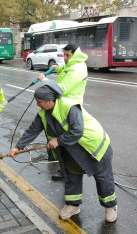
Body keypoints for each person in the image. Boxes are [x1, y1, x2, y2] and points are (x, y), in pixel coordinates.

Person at [6, 80, 117, 222]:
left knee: (102, 178)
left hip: (93, 147)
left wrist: (58, 141)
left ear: (49, 100)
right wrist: (17, 147)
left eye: (39, 101)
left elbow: (77, 130)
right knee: (71, 175)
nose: (37, 104)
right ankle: (73, 206)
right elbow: (32, 130)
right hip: (71, 149)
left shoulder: (69, 107)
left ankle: (110, 206)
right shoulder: (43, 113)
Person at [38, 44, 88, 179]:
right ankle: (65, 167)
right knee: (61, 138)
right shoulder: (73, 64)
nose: (65, 58)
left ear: (74, 54)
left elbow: (62, 88)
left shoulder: (78, 69)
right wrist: (58, 67)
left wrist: (45, 80)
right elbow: (66, 69)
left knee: (66, 141)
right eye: (64, 55)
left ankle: (67, 170)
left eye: (67, 55)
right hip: (64, 105)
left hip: (69, 108)